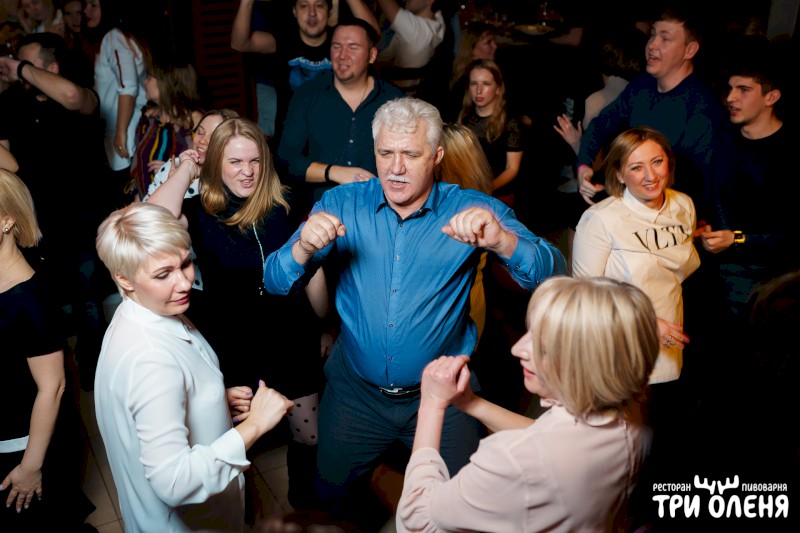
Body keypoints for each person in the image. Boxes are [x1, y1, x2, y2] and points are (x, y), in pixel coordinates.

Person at [263, 96, 566, 530]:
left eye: (410, 154)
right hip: (354, 398)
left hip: (448, 396)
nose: (395, 168)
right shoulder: (343, 203)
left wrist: (503, 241)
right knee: (331, 507)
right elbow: (274, 281)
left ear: (437, 156)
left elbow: (553, 271)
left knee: (459, 513)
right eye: (385, 153)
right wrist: (302, 248)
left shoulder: (471, 208)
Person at [146, 117, 328, 512]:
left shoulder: (285, 202)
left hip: (292, 333)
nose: (247, 171)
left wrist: (324, 326)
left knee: (309, 435)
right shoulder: (196, 212)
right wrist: (187, 169)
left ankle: (304, 507)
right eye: (234, 162)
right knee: (236, 439)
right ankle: (238, 513)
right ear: (216, 164)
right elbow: (151, 221)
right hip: (235, 341)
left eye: (254, 161)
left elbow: (311, 268)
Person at [396, 275, 658, 533]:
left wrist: (432, 403)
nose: (517, 348)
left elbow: (417, 520)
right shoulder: (634, 416)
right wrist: (471, 403)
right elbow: (546, 436)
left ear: (587, 366)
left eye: (542, 346)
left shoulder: (511, 460)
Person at [93, 201, 294, 532]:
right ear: (124, 279)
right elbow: (175, 482)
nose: (185, 282)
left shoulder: (147, 310)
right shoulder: (150, 360)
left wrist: (210, 402)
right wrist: (256, 424)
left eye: (185, 264)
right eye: (163, 274)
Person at [571, 126, 700, 528]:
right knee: (624, 453)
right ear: (619, 174)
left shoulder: (682, 205)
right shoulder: (601, 219)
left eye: (657, 162)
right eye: (636, 167)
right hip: (624, 347)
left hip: (673, 346)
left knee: (663, 448)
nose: (650, 175)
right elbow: (584, 294)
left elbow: (675, 273)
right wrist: (646, 321)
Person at [0, 31, 116, 391]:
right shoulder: (10, 103)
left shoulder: (80, 95)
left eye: (27, 64)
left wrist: (20, 69)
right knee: (46, 304)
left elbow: (71, 96)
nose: (18, 71)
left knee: (88, 301)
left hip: (82, 219)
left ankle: (97, 380)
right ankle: (55, 378)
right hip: (36, 223)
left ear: (51, 67)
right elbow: (7, 165)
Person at [1, 169, 96, 530]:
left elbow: (52, 387)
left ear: (8, 221)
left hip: (24, 446)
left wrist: (30, 466)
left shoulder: (30, 298)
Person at [575, 4, 724, 223]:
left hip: (669, 213)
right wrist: (583, 167)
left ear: (690, 50)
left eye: (665, 39)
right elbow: (600, 124)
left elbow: (697, 182)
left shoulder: (702, 107)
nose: (652, 45)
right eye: (652, 35)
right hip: (633, 194)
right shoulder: (642, 85)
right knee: (581, 211)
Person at [276, 16, 403, 214]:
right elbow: (286, 161)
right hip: (319, 211)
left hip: (379, 210)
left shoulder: (394, 101)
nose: (343, 55)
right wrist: (334, 172)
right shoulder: (307, 95)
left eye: (353, 47)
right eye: (336, 47)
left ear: (372, 55)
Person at [231, 0, 378, 142]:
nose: (312, 13)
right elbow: (240, 44)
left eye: (319, 5)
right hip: (291, 144)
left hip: (335, 141)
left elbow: (373, 35)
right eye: (304, 6)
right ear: (294, 11)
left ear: (329, 11)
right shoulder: (283, 41)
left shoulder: (340, 41)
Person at [83, 0, 149, 205]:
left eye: (93, 5)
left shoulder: (114, 38)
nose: (86, 10)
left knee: (127, 201)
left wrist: (120, 132)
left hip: (126, 131)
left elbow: (128, 86)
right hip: (126, 128)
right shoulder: (120, 37)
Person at [129, 58, 204, 199]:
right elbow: (139, 166)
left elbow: (209, 165)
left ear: (165, 83)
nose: (145, 82)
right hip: (148, 202)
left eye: (149, 78)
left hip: (182, 203)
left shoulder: (197, 122)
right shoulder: (149, 119)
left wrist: (173, 168)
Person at [458, 59, 523, 208]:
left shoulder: (510, 123)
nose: (478, 90)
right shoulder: (464, 117)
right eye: (474, 83)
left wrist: (485, 188)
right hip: (466, 192)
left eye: (486, 84)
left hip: (498, 197)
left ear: (498, 88)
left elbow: (512, 169)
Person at [442, 22, 496, 122]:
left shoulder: (462, 73)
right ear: (473, 47)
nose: (495, 46)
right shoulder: (466, 82)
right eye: (488, 42)